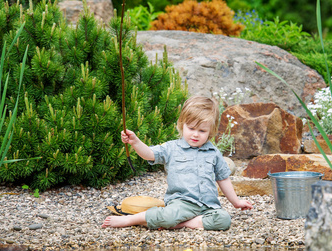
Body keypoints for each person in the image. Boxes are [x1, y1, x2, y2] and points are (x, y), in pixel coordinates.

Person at [101, 96, 253, 230]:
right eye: (191, 128)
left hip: (208, 206)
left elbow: (223, 178)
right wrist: (135, 142)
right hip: (182, 205)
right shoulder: (172, 148)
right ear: (182, 124)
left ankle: (183, 224)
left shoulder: (213, 152)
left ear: (211, 131)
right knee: (168, 216)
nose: (195, 134)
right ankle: (130, 219)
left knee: (224, 220)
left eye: (202, 131)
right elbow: (149, 154)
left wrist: (236, 202)